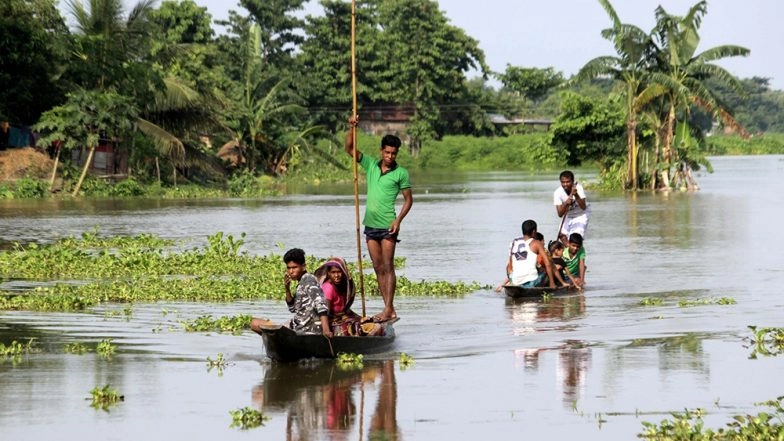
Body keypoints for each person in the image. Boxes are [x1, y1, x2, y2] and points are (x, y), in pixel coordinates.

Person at [345, 116, 413, 322]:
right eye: (387, 152)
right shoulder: (371, 165)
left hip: (388, 226)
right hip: (370, 225)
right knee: (377, 268)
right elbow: (349, 149)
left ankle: (389, 308)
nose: (390, 156)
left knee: (388, 266)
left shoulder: (401, 173)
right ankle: (387, 309)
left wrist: (398, 220)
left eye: (393, 153)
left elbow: (409, 200)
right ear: (381, 151)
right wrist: (352, 128)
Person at [250, 248, 332, 337]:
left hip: (307, 330)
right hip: (297, 326)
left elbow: (321, 305)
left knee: (255, 323)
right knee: (255, 324)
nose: (291, 271)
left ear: (303, 266)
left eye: (294, 267)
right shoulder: (301, 283)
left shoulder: (309, 279)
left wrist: (326, 330)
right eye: (289, 268)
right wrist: (287, 289)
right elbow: (292, 309)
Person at [314, 257, 382, 336]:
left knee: (375, 325)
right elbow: (325, 313)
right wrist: (327, 331)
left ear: (343, 272)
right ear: (328, 273)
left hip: (343, 319)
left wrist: (360, 318)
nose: (336, 275)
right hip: (332, 324)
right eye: (333, 272)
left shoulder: (344, 286)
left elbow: (345, 310)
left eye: (339, 272)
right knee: (377, 328)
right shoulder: (328, 288)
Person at [504, 219, 556, 289]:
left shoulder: (514, 242)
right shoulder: (536, 243)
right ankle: (550, 284)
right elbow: (547, 263)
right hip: (531, 281)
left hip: (515, 280)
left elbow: (510, 266)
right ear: (534, 231)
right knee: (547, 271)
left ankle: (512, 283)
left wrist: (511, 279)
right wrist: (552, 283)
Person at [554, 170, 590, 244]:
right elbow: (560, 214)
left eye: (568, 182)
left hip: (581, 214)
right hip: (568, 215)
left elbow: (583, 207)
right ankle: (568, 252)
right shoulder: (557, 193)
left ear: (572, 181)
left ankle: (576, 252)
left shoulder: (578, 188)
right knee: (562, 236)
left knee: (576, 237)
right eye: (563, 182)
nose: (565, 184)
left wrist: (576, 194)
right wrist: (566, 203)